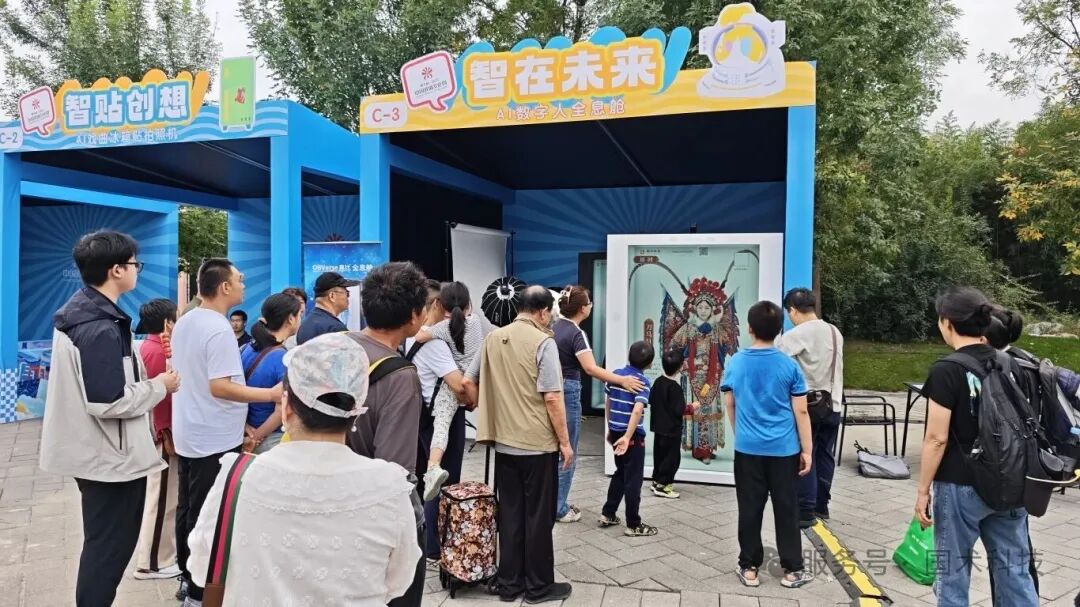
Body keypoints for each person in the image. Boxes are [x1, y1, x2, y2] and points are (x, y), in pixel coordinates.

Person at [187, 332, 422, 605]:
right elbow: (398, 582)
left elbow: (202, 568)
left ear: (286, 407)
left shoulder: (237, 478)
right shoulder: (390, 487)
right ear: (355, 412)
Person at [39, 230, 181, 606]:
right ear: (116, 270)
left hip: (102, 453)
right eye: (134, 264)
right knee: (108, 550)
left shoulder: (89, 313)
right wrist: (160, 386)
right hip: (109, 459)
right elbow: (109, 401)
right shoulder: (98, 325)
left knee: (105, 545)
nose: (136, 270)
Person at [914, 288, 1039, 607]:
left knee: (953, 575)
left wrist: (923, 491)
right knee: (1015, 572)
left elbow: (936, 438)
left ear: (947, 323)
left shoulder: (947, 369)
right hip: (1011, 479)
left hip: (960, 484)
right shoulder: (1011, 362)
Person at [170, 258, 284, 607]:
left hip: (192, 429)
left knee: (188, 508)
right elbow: (219, 387)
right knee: (209, 515)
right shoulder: (218, 328)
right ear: (224, 287)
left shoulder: (187, 320)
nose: (243, 285)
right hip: (213, 436)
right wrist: (270, 395)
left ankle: (188, 577)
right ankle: (199, 591)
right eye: (239, 280)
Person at [464, 286, 574, 604]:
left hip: (504, 443)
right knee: (538, 516)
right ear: (542, 312)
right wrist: (565, 443)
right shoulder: (543, 342)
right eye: (550, 313)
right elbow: (552, 397)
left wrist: (482, 406)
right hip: (537, 444)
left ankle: (510, 584)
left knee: (510, 513)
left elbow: (468, 381)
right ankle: (538, 586)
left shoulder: (492, 338)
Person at [346, 261, 430, 607]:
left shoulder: (334, 347)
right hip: (373, 515)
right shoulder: (400, 375)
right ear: (413, 315)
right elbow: (394, 470)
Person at [722, 300, 813, 590]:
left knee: (749, 508)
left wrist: (741, 433)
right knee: (787, 509)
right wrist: (807, 449)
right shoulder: (789, 366)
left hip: (748, 450)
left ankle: (749, 568)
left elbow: (730, 402)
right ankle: (792, 570)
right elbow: (801, 411)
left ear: (749, 328)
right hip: (784, 450)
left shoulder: (736, 362)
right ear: (779, 330)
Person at [552, 285, 644, 522]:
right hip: (568, 390)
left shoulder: (554, 327)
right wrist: (621, 380)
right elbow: (590, 368)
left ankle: (551, 501)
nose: (591, 306)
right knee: (568, 449)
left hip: (551, 389)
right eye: (589, 303)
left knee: (554, 447)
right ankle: (559, 508)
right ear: (583, 309)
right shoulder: (576, 333)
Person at [407, 280, 470, 563]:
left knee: (426, 477)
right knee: (441, 480)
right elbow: (459, 386)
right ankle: (434, 546)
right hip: (439, 418)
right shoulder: (435, 344)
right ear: (435, 305)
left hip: (422, 417)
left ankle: (424, 540)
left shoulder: (414, 336)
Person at [776, 287, 845, 528]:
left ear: (793, 310)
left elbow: (777, 363)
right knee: (825, 455)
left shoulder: (795, 335)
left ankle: (804, 511)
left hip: (809, 407)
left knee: (806, 455)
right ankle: (821, 505)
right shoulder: (834, 332)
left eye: (789, 313)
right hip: (833, 404)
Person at [410, 281, 484, 501]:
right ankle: (433, 472)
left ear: (441, 305)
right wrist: (474, 400)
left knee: (441, 426)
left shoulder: (440, 330)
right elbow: (462, 386)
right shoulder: (475, 322)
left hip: (434, 404)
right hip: (470, 381)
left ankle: (433, 466)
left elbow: (420, 336)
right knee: (448, 486)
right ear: (469, 304)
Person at [132, 298, 182, 581]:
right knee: (162, 498)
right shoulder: (159, 353)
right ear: (167, 323)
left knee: (161, 497)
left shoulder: (145, 348)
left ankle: (159, 556)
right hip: (161, 435)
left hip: (154, 433)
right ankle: (152, 561)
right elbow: (159, 399)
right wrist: (164, 431)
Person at [599, 340, 657, 536]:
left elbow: (608, 402)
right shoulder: (642, 382)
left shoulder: (616, 375)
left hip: (616, 430)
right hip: (631, 436)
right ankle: (633, 524)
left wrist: (611, 428)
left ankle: (608, 513)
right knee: (633, 479)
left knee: (620, 472)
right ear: (650, 363)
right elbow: (637, 410)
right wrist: (627, 436)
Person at [241, 293, 302, 454]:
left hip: (245, 430)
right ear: (291, 319)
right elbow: (280, 411)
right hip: (269, 438)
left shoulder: (247, 348)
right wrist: (255, 438)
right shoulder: (283, 358)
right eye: (300, 314)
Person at [649, 349, 698, 499]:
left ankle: (656, 480)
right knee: (671, 459)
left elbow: (651, 400)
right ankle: (664, 485)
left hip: (658, 428)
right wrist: (692, 407)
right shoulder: (675, 388)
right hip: (671, 430)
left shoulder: (658, 382)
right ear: (680, 367)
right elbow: (679, 410)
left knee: (659, 455)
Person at [296, 271, 359, 345]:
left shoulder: (305, 325)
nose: (348, 297)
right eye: (347, 293)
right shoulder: (335, 329)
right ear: (332, 296)